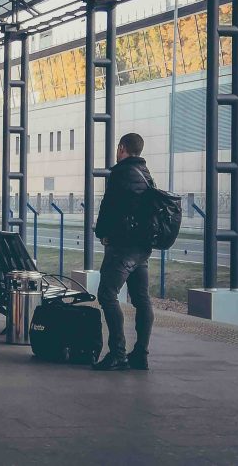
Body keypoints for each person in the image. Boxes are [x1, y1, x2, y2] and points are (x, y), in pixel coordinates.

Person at [92, 132, 155, 372]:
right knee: (142, 299)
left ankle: (118, 353)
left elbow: (109, 207)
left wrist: (102, 233)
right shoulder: (146, 174)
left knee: (107, 295)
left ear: (121, 148)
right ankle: (141, 354)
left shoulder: (119, 173)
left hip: (122, 247)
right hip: (142, 249)